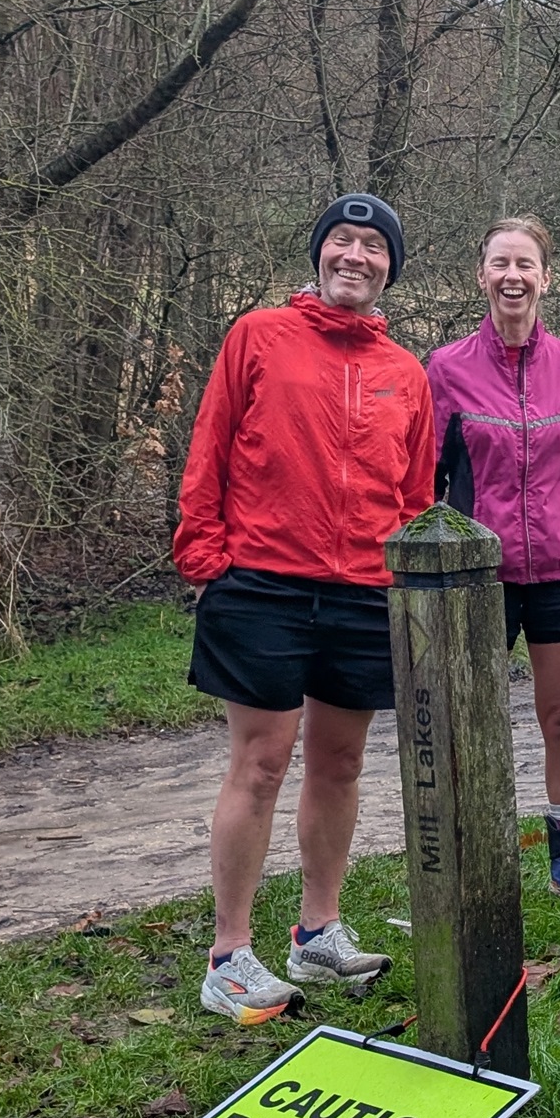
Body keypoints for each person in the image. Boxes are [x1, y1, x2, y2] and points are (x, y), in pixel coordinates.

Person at [176, 193, 430, 1022]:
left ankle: (317, 931)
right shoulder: (258, 337)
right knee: (261, 762)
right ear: (319, 254)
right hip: (264, 585)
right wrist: (204, 555)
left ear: (390, 268)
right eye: (342, 242)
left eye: (373, 247)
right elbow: (211, 445)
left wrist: (403, 578)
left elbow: (416, 493)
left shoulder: (406, 373)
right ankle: (229, 957)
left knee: (341, 763)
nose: (355, 256)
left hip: (364, 591)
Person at [425, 217, 560, 897]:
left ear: (546, 278)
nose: (512, 276)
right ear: (481, 275)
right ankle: (471, 858)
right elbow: (424, 479)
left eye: (525, 264)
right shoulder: (446, 369)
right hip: (475, 576)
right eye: (500, 263)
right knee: (468, 719)